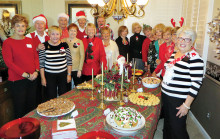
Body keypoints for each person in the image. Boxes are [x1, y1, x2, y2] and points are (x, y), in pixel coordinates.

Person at [161, 27, 204, 139]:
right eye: (180, 38)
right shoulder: (176, 53)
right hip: (167, 96)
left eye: (187, 39)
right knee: (168, 126)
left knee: (178, 130)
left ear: (192, 41)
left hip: (178, 100)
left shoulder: (195, 59)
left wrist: (186, 105)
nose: (182, 42)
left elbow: (196, 83)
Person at [2, 15, 39, 118]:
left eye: (23, 26)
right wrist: (26, 75)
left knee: (32, 107)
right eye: (17, 25)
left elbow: (36, 57)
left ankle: (32, 130)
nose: (20, 28)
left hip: (33, 78)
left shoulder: (29, 40)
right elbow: (9, 63)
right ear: (13, 27)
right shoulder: (8, 43)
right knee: (20, 109)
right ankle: (21, 132)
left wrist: (36, 71)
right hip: (17, 80)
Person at [39, 26, 72, 100]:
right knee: (51, 96)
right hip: (49, 75)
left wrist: (69, 74)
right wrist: (43, 78)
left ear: (60, 35)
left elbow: (69, 60)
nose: (55, 36)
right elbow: (41, 64)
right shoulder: (44, 46)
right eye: (53, 34)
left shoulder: (64, 45)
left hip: (63, 74)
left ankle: (63, 110)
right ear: (49, 35)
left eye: (57, 34)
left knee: (63, 95)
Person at [26, 14, 50, 104]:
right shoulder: (29, 36)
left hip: (49, 68)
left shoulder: (50, 35)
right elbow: (26, 53)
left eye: (42, 23)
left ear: (45, 25)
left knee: (48, 91)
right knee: (37, 92)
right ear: (34, 25)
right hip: (35, 69)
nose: (40, 26)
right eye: (37, 23)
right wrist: (36, 49)